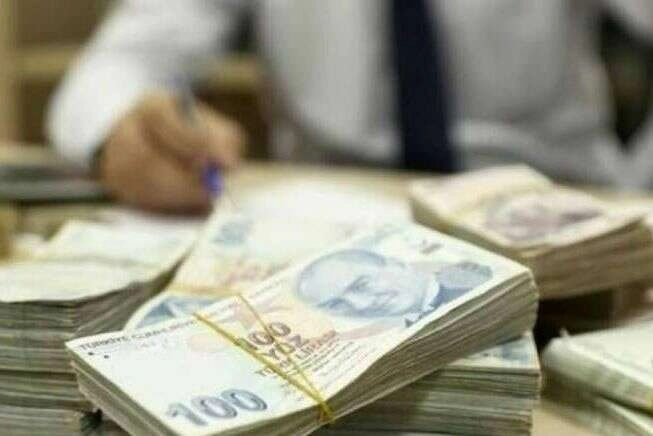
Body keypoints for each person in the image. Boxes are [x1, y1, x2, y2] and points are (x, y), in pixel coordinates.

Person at [47, 1, 653, 212]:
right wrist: (123, 128)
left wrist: (637, 192)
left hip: (556, 204)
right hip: (330, 224)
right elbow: (112, 68)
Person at [295, 249, 492, 321]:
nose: (361, 305)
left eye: (361, 284)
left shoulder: (481, 281)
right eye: (336, 304)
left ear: (397, 264)